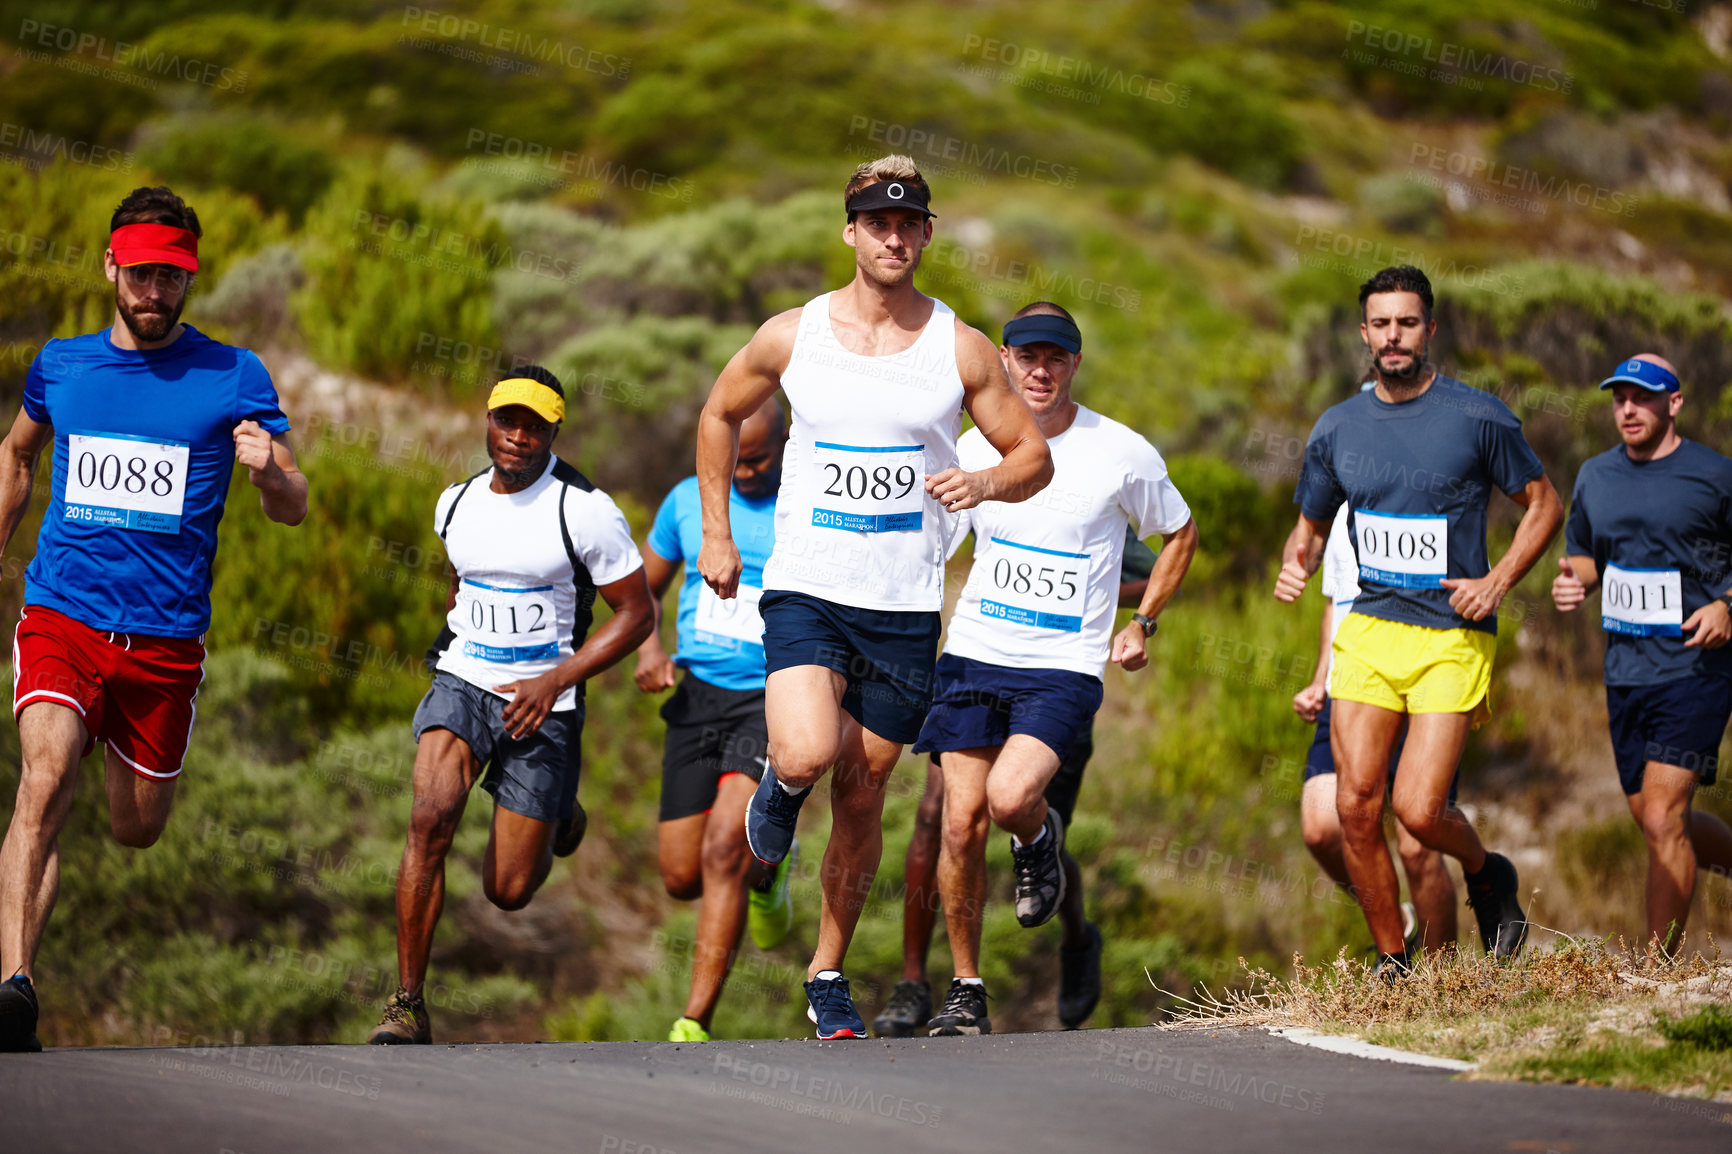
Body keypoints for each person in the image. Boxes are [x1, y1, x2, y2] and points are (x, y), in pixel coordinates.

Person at [693, 155, 1052, 1039]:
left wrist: (985, 484)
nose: (894, 237)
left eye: (910, 223)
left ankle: (825, 971)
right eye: (877, 223)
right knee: (809, 751)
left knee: (861, 798)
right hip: (809, 589)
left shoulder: (959, 345)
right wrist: (716, 531)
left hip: (902, 608)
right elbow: (717, 414)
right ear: (850, 231)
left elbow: (1032, 457)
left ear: (926, 233)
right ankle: (778, 788)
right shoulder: (795, 334)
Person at [0, 186, 308, 1053]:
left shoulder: (235, 375)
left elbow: (293, 501)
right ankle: (13, 987)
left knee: (136, 829)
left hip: (165, 644)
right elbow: (18, 453)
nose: (154, 291)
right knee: (43, 783)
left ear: (189, 280)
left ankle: (116, 768)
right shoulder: (62, 366)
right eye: (140, 273)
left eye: (171, 276)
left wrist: (269, 475)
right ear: (110, 267)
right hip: (63, 615)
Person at [906, 302, 1196, 1035]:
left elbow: (1180, 531)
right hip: (974, 653)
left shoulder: (1121, 451)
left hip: (1061, 667)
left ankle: (1040, 844)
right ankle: (965, 990)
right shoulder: (974, 447)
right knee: (957, 822)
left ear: (1074, 365)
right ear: (1003, 358)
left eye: (1055, 358)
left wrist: (1142, 622)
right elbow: (932, 548)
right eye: (1027, 356)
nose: (1040, 371)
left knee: (1010, 800)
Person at [1275, 265, 1562, 975]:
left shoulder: (1478, 417)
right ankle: (1393, 960)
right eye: (1381, 323)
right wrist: (1297, 562)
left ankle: (1488, 870)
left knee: (1419, 811)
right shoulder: (1338, 426)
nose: (1393, 336)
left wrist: (1497, 582)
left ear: (1429, 329)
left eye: (1407, 322)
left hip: (1450, 637)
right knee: (1354, 807)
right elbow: (1309, 527)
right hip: (1369, 629)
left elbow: (1545, 504)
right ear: (1364, 333)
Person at [368, 366, 653, 1044]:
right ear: (488, 421)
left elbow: (636, 615)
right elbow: (460, 583)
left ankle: (557, 809)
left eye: (535, 426)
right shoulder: (455, 501)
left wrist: (556, 680)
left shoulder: (583, 509)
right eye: (508, 420)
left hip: (544, 700)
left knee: (508, 889)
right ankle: (406, 1003)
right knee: (429, 817)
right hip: (464, 680)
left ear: (555, 431)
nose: (519, 437)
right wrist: (464, 646)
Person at [874, 526, 1155, 1037]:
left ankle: (1076, 938)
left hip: (1056, 682)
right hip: (978, 667)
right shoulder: (985, 468)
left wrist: (1099, 593)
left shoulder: (1095, 483)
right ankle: (917, 982)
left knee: (1037, 826)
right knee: (941, 817)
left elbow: (1155, 571)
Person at [1551, 354, 1732, 953]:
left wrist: (1726, 603)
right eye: (1619, 398)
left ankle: (1653, 976)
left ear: (1674, 403)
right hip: (1626, 672)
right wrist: (1574, 578)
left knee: (1661, 817)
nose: (1628, 409)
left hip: (1694, 669)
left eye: (1644, 397)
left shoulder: (1714, 475)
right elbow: (1587, 554)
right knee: (1656, 822)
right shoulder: (1596, 475)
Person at [636, 398, 798, 1042]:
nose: (747, 470)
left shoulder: (805, 507)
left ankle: (694, 1018)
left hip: (773, 697)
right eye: (737, 456)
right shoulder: (687, 501)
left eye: (759, 458)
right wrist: (649, 647)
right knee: (681, 876)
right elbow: (642, 588)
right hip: (699, 696)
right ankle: (770, 869)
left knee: (725, 845)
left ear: (788, 442)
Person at [1290, 505, 1456, 954]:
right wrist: (1320, 678)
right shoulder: (1340, 506)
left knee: (1417, 847)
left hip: (1417, 686)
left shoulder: (1419, 492)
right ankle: (1394, 917)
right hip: (1348, 688)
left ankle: (1443, 984)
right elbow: (1335, 604)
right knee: (1322, 829)